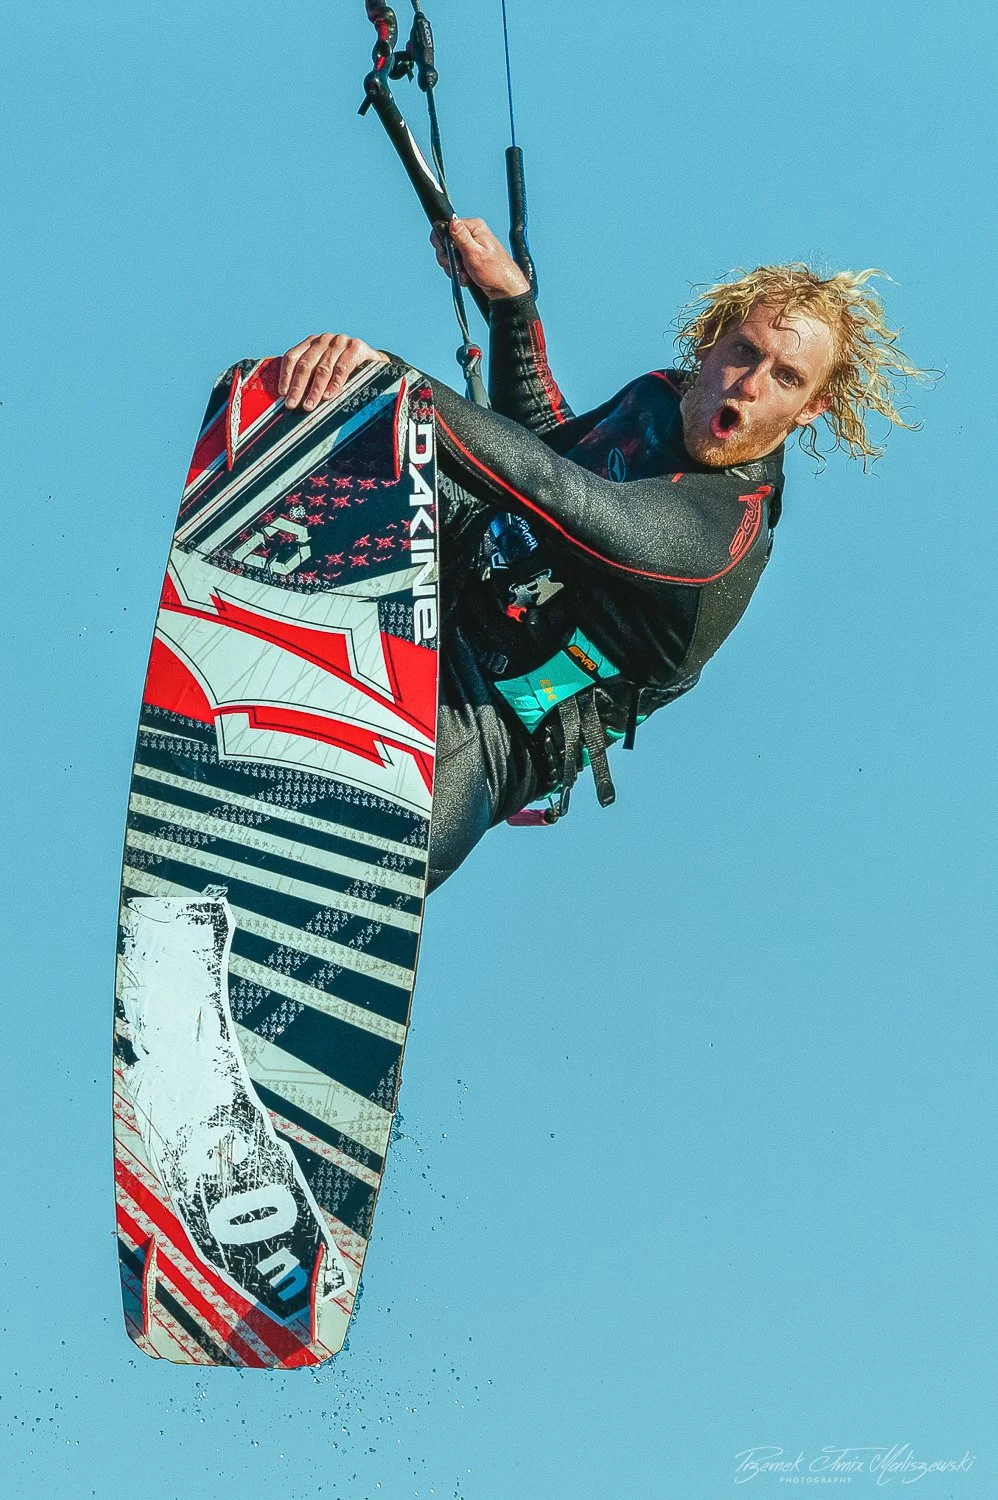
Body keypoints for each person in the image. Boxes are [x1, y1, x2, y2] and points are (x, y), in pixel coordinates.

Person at [278, 218, 925, 890]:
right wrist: (510, 304)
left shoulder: (718, 538)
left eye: (786, 377)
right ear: (709, 344)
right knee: (360, 422)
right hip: (436, 597)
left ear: (810, 408)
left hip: (485, 728)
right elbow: (554, 445)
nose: (750, 384)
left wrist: (395, 380)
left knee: (348, 868)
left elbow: (553, 488)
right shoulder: (658, 398)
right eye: (743, 352)